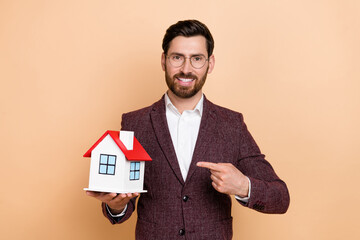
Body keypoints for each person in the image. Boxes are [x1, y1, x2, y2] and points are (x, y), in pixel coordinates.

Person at [87, 19, 290, 239]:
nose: (186, 69)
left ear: (210, 63)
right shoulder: (135, 123)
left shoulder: (231, 124)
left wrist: (243, 186)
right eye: (177, 57)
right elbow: (123, 203)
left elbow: (280, 198)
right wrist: (116, 206)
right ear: (164, 60)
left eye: (197, 59)